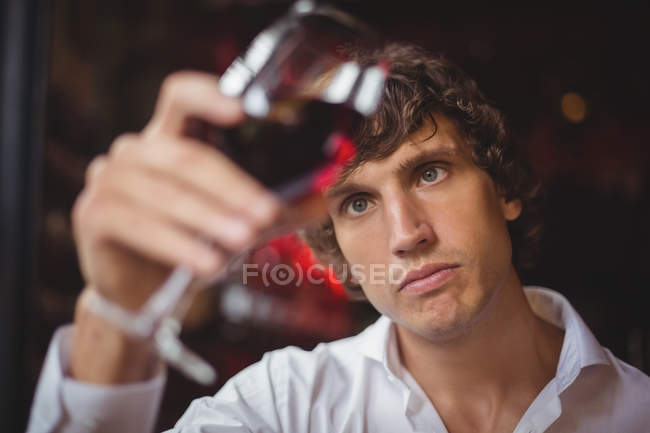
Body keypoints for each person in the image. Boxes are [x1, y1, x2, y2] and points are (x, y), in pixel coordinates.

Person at [28, 44, 649, 433]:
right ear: (337, 254)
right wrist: (118, 314)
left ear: (504, 188)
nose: (407, 234)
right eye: (357, 202)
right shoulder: (283, 408)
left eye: (430, 172)